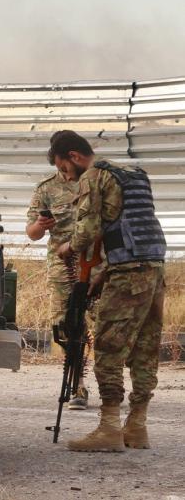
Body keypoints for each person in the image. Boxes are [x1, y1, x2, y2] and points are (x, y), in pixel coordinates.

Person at [50, 131, 167, 453]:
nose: (67, 178)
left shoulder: (95, 175)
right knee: (145, 348)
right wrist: (103, 273)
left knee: (108, 347)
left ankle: (109, 428)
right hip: (154, 266)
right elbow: (127, 224)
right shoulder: (133, 173)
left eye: (65, 170)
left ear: (74, 156)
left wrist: (67, 247)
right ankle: (137, 426)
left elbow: (87, 231)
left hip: (129, 273)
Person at [25, 146, 87, 409]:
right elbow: (32, 233)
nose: (63, 170)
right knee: (66, 325)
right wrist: (41, 225)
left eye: (64, 164)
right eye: (59, 166)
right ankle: (78, 385)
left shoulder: (96, 181)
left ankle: (110, 385)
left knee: (102, 325)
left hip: (99, 263)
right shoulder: (46, 189)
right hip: (64, 267)